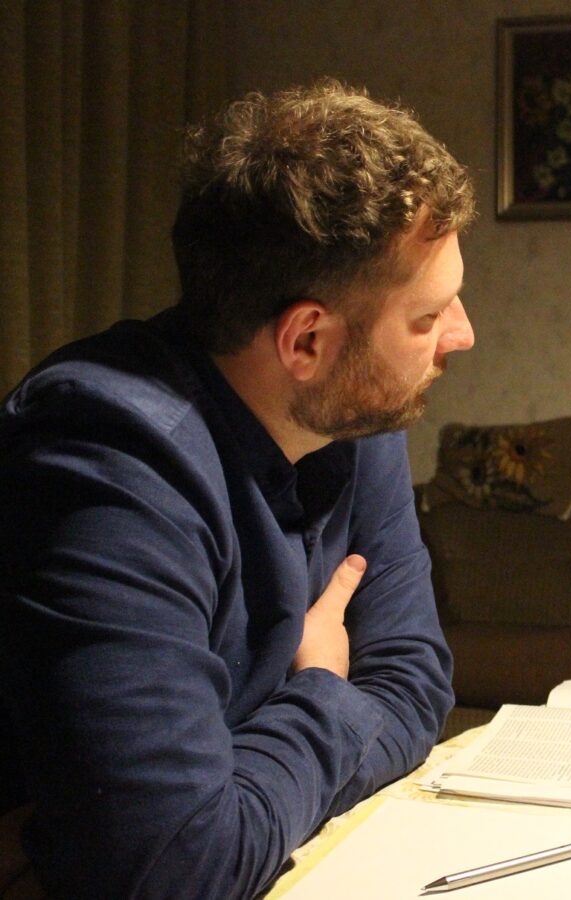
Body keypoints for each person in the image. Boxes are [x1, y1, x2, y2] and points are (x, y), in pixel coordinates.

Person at [0, 80, 476, 898]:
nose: (463, 336)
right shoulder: (105, 461)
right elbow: (172, 869)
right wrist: (324, 691)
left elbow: (413, 678)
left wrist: (252, 768)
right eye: (426, 318)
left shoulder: (355, 417)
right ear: (307, 339)